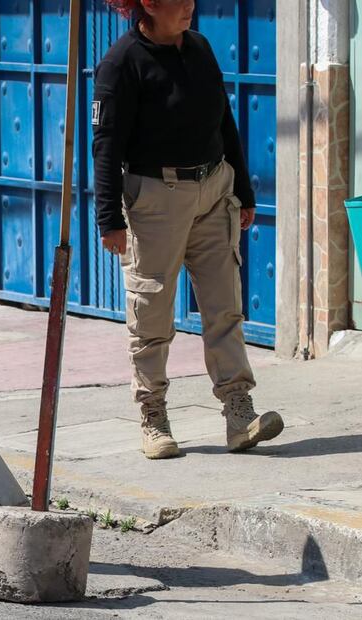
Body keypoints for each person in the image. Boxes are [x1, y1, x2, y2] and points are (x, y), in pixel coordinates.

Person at [91, 0, 283, 459]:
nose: (191, 6)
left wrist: (243, 188)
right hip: (156, 198)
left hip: (213, 189)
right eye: (179, 0)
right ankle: (153, 416)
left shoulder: (198, 47)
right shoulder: (121, 63)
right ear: (150, 5)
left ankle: (239, 412)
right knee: (152, 312)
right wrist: (109, 218)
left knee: (224, 305)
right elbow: (106, 145)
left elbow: (224, 120)